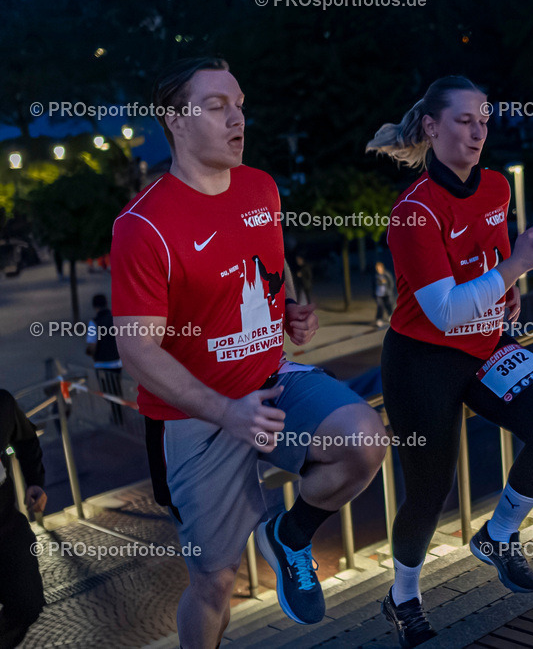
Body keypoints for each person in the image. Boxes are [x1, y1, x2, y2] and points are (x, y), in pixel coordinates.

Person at [110, 57, 388, 648]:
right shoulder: (144, 225)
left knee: (364, 443)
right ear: (176, 122)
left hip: (271, 380)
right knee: (215, 583)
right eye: (217, 107)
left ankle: (289, 536)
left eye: (239, 105)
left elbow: (267, 256)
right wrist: (226, 411)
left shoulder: (261, 186)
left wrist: (285, 305)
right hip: (192, 420)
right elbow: (135, 350)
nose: (237, 118)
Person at [367, 76, 533, 647]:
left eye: (484, 119)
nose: (478, 130)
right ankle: (403, 596)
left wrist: (510, 288)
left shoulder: (494, 188)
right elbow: (442, 311)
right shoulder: (414, 210)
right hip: (422, 360)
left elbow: (489, 265)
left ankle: (499, 534)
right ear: (432, 128)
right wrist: (517, 267)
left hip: (486, 346)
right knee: (430, 491)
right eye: (464, 120)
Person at [0, 389, 47, 649]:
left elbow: (27, 439)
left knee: (28, 604)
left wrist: (35, 481)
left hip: (6, 527)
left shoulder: (2, 404)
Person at [86, 293, 125, 425]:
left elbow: (92, 346)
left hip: (102, 365)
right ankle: (118, 415)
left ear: (94, 306)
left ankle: (117, 417)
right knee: (117, 389)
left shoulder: (94, 323)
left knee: (107, 392)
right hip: (117, 362)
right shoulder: (115, 318)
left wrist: (90, 353)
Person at [372, 261, 396, 327]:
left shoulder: (386, 274)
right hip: (378, 294)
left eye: (379, 268)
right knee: (380, 306)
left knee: (389, 305)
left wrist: (389, 291)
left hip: (386, 293)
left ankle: (390, 316)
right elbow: (373, 285)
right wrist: (374, 294)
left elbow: (391, 283)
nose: (378, 269)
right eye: (377, 268)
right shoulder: (375, 276)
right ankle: (379, 319)